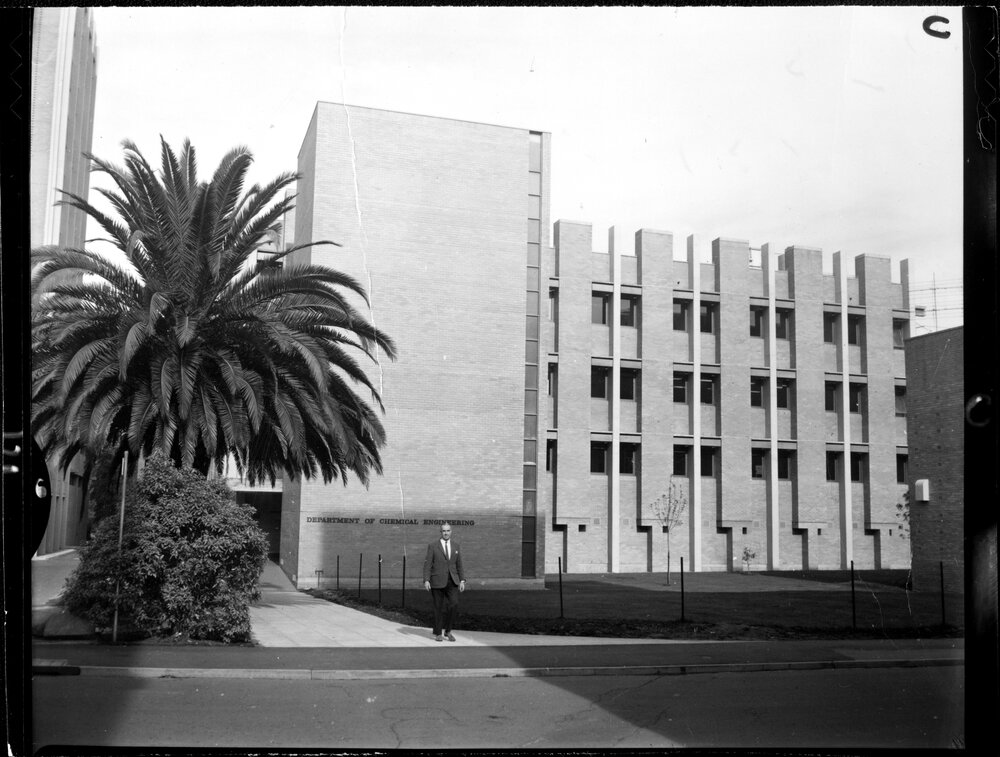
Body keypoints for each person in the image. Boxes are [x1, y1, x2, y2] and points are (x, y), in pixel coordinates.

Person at [423, 522, 466, 641]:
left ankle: (448, 631)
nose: (446, 533)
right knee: (438, 607)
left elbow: (459, 564)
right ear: (440, 532)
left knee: (454, 604)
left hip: (452, 581)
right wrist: (426, 580)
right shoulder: (433, 546)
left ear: (451, 531)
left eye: (448, 530)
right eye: (444, 531)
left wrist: (462, 580)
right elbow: (428, 564)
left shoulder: (456, 546)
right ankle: (438, 633)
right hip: (437, 580)